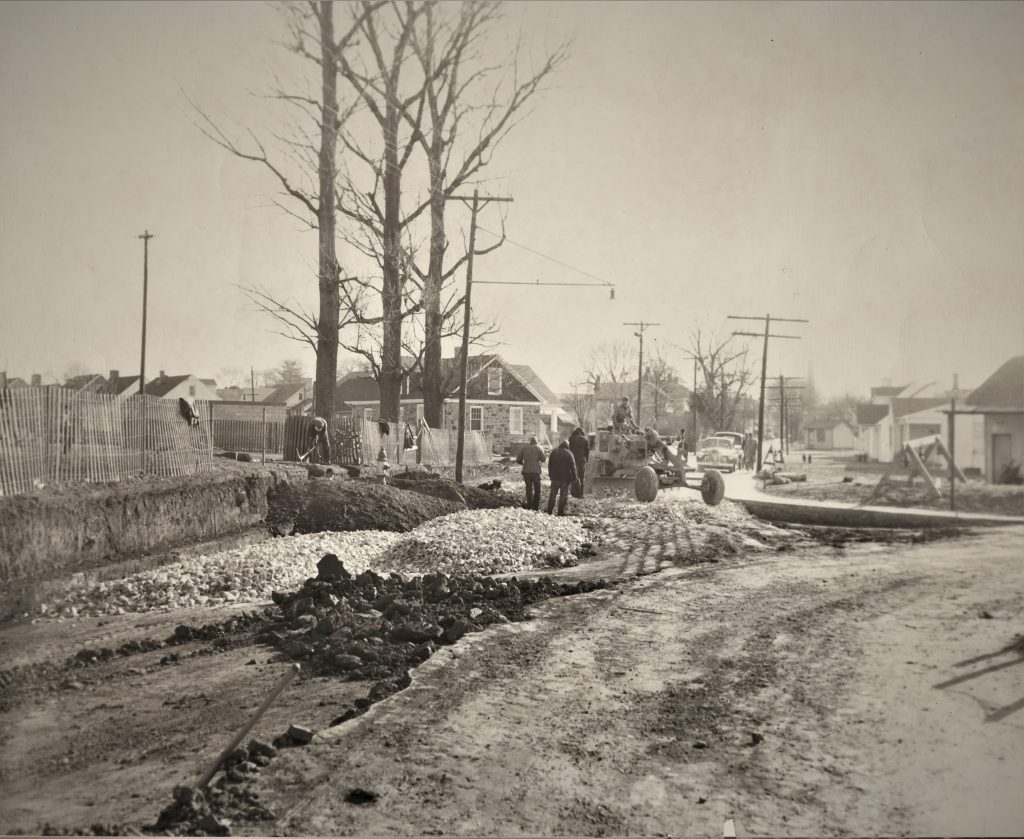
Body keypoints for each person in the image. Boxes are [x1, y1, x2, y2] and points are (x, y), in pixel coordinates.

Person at [546, 440, 579, 516]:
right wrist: (575, 478)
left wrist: (551, 475)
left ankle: (549, 511)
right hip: (565, 478)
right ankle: (560, 512)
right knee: (563, 495)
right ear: (567, 446)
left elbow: (549, 465)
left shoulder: (554, 452)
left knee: (552, 494)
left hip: (555, 478)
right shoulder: (569, 453)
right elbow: (573, 467)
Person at [516, 435, 546, 510]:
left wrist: (523, 464)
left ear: (530, 442)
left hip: (526, 471)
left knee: (528, 489)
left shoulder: (524, 448)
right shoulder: (539, 448)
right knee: (537, 489)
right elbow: (543, 459)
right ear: (536, 442)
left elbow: (518, 459)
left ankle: (529, 505)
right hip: (536, 472)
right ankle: (536, 506)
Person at [568, 427, 590, 497]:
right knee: (582, 477)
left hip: (574, 460)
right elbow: (587, 450)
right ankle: (581, 493)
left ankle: (574, 493)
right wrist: (587, 459)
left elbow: (569, 449)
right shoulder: (585, 439)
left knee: (575, 476)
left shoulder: (571, 438)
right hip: (582, 460)